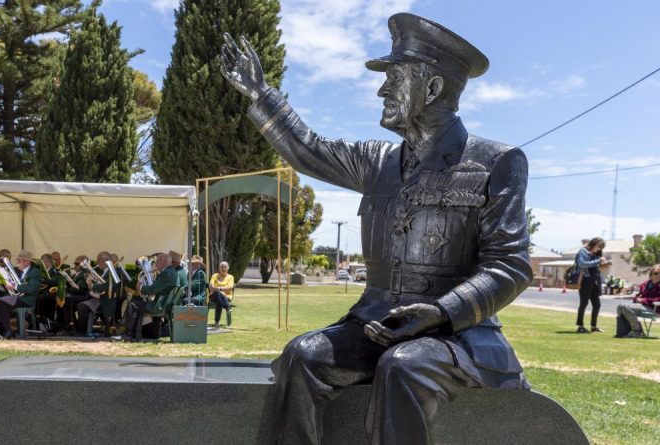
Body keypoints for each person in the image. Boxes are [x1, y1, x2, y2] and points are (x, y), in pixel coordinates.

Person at [221, 12, 532, 444]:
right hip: (376, 324)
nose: (383, 88)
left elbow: (510, 265)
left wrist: (441, 312)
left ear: (434, 87)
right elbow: (309, 150)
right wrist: (260, 93)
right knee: (303, 355)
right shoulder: (377, 161)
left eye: (395, 77)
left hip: (455, 333)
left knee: (403, 365)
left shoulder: (496, 161)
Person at [127, 253, 178, 340]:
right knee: (137, 301)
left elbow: (151, 290)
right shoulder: (172, 272)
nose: (155, 265)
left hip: (159, 306)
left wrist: (141, 287)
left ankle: (130, 333)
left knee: (133, 304)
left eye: (157, 262)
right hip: (164, 304)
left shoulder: (166, 273)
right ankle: (136, 332)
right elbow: (157, 288)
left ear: (164, 262)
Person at [0, 249, 41, 339]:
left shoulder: (35, 272)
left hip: (27, 299)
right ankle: (5, 328)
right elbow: (10, 281)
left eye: (19, 261)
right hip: (17, 297)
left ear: (26, 261)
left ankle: (7, 329)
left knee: (1, 302)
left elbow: (31, 289)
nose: (17, 262)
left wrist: (14, 287)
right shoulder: (17, 270)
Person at [574, 237, 610, 333]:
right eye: (598, 247)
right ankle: (580, 326)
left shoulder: (595, 253)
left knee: (597, 304)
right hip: (585, 280)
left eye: (600, 248)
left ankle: (593, 326)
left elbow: (595, 266)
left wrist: (603, 264)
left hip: (594, 281)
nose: (598, 250)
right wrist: (598, 261)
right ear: (594, 243)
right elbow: (582, 264)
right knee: (584, 303)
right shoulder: (582, 251)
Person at [616, 264, 660, 338]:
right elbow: (638, 296)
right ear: (651, 274)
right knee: (620, 306)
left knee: (625, 307)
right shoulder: (645, 285)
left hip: (654, 308)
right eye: (656, 273)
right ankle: (623, 332)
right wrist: (636, 299)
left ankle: (637, 332)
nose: (658, 275)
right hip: (643, 306)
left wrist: (643, 300)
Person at [209, 261, 234, 328]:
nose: (223, 269)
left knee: (219, 300)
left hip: (226, 297)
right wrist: (221, 291)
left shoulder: (230, 277)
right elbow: (211, 286)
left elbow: (230, 287)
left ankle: (216, 322)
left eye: (225, 267)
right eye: (222, 267)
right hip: (213, 296)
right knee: (217, 294)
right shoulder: (214, 276)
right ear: (219, 268)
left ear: (228, 268)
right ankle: (227, 307)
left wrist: (218, 288)